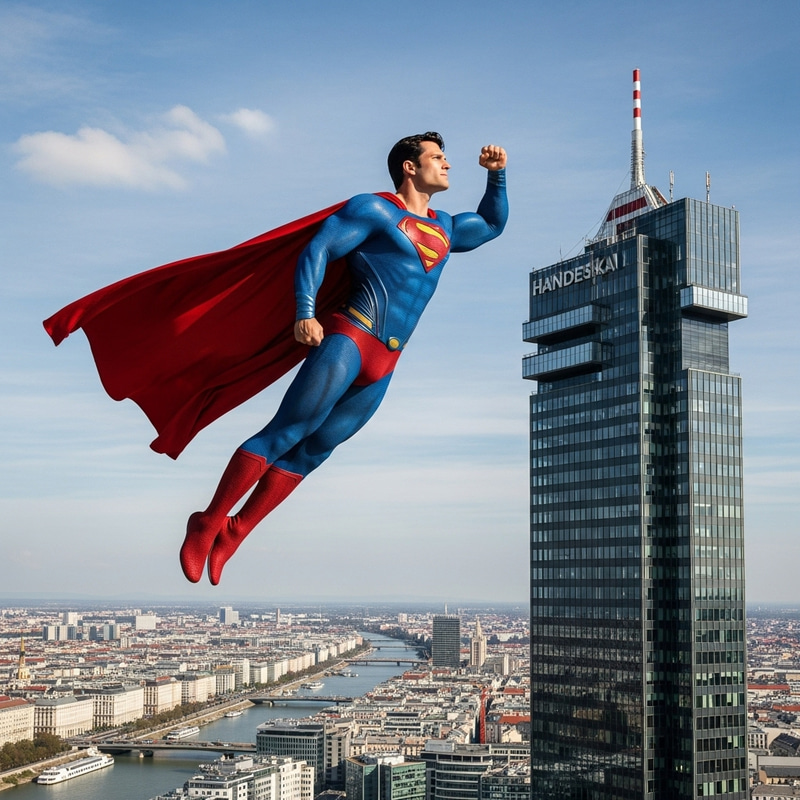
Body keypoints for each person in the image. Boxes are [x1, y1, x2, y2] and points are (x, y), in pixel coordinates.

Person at [177, 131, 508, 585]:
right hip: (352, 337)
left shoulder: (447, 227)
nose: (447, 165)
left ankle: (237, 531)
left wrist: (497, 176)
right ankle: (209, 521)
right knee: (287, 431)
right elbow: (319, 248)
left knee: (315, 449)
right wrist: (304, 312)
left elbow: (491, 225)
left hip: (387, 362)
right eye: (438, 157)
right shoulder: (374, 210)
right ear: (410, 167)